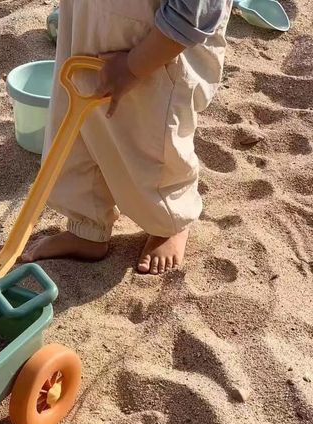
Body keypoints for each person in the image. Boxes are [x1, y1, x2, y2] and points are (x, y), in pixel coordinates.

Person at [22, 0, 232, 274]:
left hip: (155, 49)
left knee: (152, 145)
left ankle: (169, 223)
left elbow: (192, 14)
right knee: (78, 135)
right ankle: (88, 225)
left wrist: (132, 67)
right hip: (89, 25)